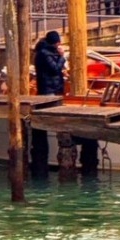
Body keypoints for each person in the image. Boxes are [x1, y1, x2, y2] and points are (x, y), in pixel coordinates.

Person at [30, 29, 67, 174]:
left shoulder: (45, 52)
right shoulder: (45, 54)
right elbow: (54, 69)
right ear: (56, 42)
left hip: (51, 87)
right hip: (48, 89)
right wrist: (62, 57)